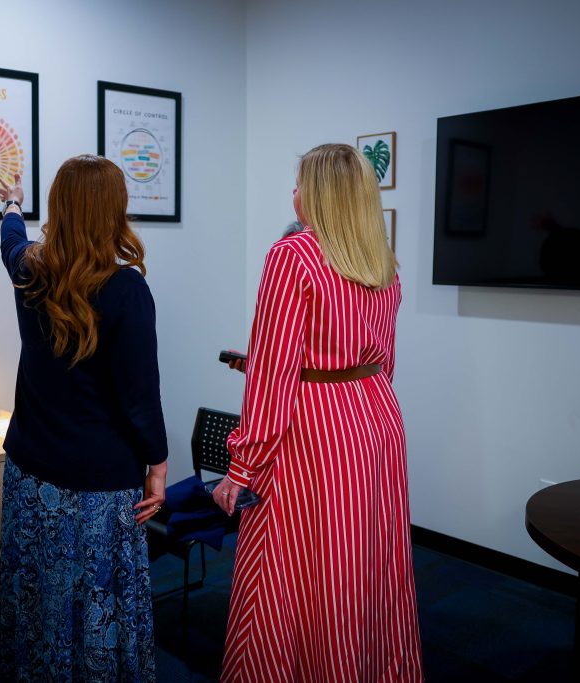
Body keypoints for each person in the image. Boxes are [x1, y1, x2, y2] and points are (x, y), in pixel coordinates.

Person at [212, 143, 423, 681]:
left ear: (322, 195)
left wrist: (242, 467)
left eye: (301, 184)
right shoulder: (382, 262)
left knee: (295, 568)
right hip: (377, 420)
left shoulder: (294, 256)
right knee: (366, 563)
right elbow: (386, 360)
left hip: (314, 434)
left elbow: (271, 375)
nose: (294, 195)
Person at [0, 156, 168, 682]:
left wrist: (10, 202)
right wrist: (158, 469)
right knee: (98, 605)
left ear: (60, 209)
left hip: (30, 479)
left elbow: (8, 240)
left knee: (40, 599)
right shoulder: (126, 290)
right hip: (99, 488)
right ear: (114, 212)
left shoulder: (30, 269)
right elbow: (140, 398)